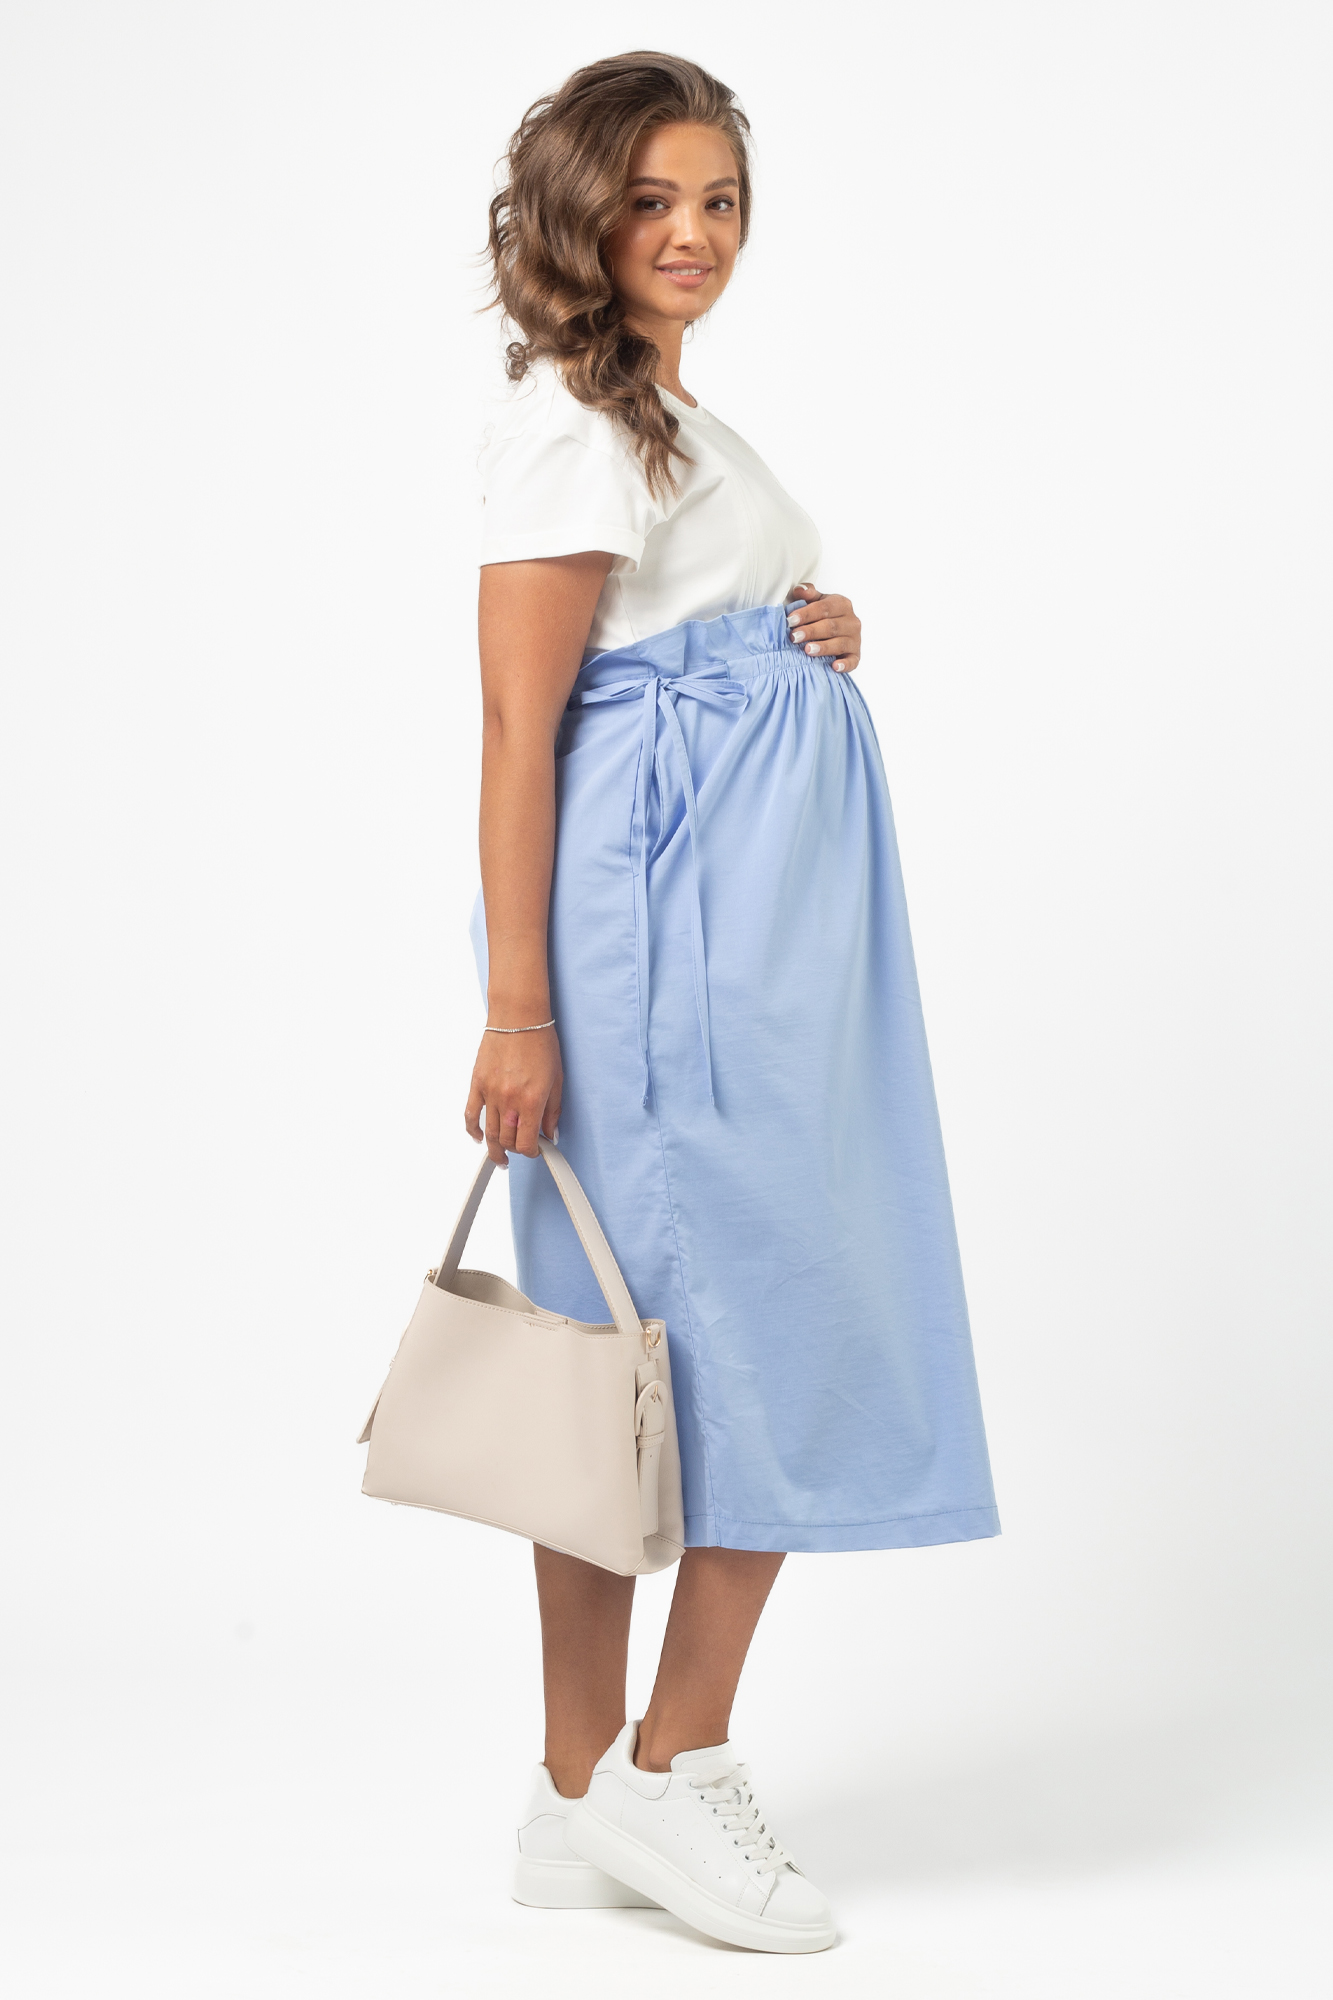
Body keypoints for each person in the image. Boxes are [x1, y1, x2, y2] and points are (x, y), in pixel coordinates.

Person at [465, 51, 998, 1954]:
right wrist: (518, 1013)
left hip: (749, 933)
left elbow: (683, 620)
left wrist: (807, 626)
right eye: (650, 201)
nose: (690, 234)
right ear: (577, 216)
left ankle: (573, 1797)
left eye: (718, 202)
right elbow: (520, 721)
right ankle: (665, 1765)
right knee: (701, 1333)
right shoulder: (569, 426)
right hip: (660, 943)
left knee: (663, 1348)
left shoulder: (664, 413)